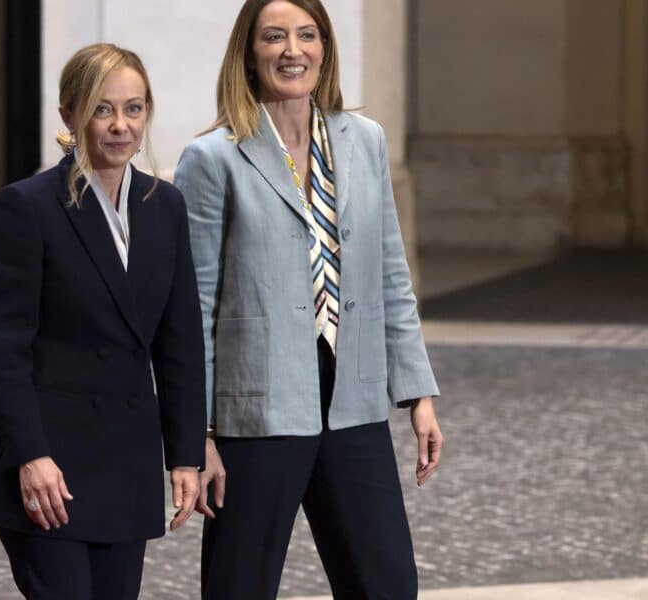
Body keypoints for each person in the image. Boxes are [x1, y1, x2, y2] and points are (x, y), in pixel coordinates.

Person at [173, 1, 445, 598]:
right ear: (249, 53)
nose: (292, 50)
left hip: (355, 402)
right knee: (239, 586)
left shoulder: (363, 140)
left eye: (307, 35)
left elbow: (391, 276)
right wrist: (199, 435)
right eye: (274, 37)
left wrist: (418, 394)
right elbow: (191, 310)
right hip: (256, 414)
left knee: (388, 584)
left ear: (325, 47)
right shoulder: (213, 158)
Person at [0, 43, 205, 600]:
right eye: (103, 109)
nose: (121, 126)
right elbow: (5, 350)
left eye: (133, 108)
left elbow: (180, 343)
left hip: (125, 464)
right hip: (48, 470)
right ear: (69, 116)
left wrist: (186, 454)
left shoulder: (164, 207)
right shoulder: (26, 207)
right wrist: (31, 455)